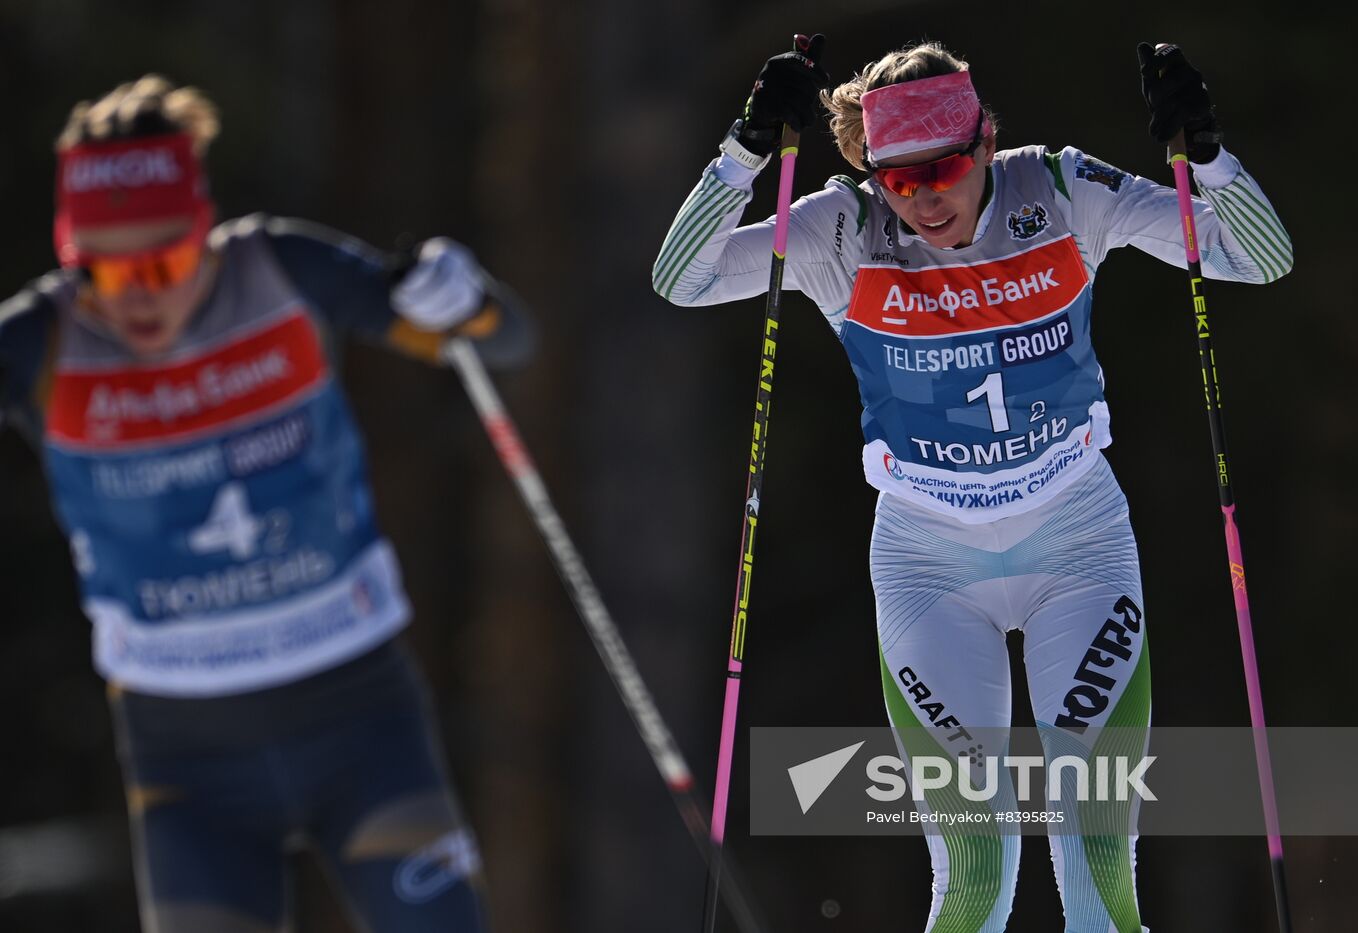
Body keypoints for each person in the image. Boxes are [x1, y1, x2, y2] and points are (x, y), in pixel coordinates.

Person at [654, 37, 1290, 932]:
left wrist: (1210, 156)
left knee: (1097, 861)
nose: (924, 200)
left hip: (1078, 544)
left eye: (944, 169)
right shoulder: (842, 228)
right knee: (977, 873)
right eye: (898, 180)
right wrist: (743, 153)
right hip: (927, 566)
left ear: (986, 141)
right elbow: (679, 280)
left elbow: (1258, 257)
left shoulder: (1064, 193)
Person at [0, 75, 532, 932]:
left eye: (164, 261)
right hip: (186, 759)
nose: (138, 295)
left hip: (360, 715)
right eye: (103, 270)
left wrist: (466, 304)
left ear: (203, 233)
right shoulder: (45, 341)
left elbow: (503, 339)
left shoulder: (283, 270)